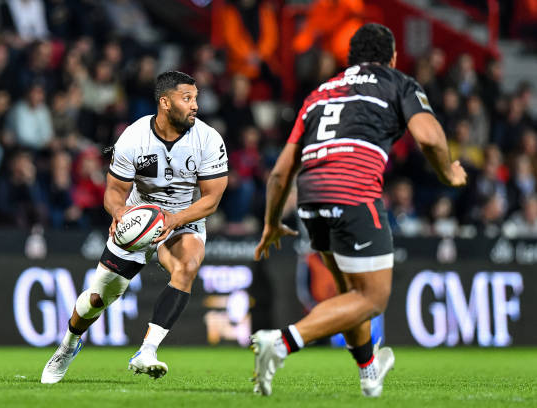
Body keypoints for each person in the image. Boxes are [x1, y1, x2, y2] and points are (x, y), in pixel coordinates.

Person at [250, 23, 467, 398]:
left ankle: (369, 370)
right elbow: (430, 136)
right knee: (372, 299)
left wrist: (271, 222)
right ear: (393, 57)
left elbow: (282, 171)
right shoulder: (398, 82)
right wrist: (449, 172)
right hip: (353, 192)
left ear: (350, 58)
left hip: (311, 196)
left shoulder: (318, 94)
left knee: (350, 292)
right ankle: (282, 343)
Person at [41, 71, 228, 384]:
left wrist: (175, 220)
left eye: (196, 98)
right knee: (98, 298)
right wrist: (118, 211)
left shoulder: (208, 138)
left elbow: (212, 199)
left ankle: (147, 351)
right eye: (188, 98)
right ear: (165, 103)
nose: (195, 105)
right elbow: (114, 192)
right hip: (138, 218)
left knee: (187, 266)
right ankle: (68, 345)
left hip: (184, 217)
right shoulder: (134, 137)